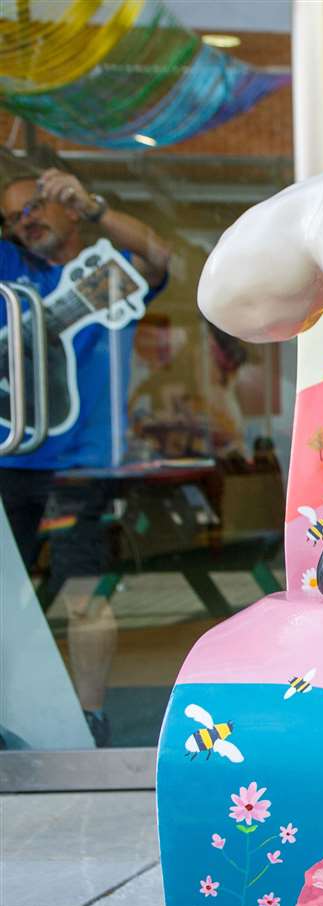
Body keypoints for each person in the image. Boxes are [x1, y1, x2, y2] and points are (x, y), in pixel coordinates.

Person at [0, 166, 172, 742]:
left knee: (82, 597)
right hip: (8, 460)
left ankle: (89, 718)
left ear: (68, 208)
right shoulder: (8, 267)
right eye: (12, 218)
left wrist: (95, 207)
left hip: (81, 464)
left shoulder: (103, 267)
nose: (25, 223)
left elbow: (156, 257)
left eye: (36, 208)